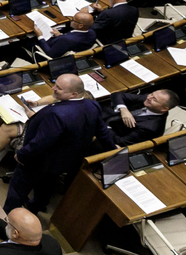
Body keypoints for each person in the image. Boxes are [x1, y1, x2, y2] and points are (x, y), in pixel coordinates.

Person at [6, 74, 114, 212]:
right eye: (55, 84)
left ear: (73, 94)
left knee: (17, 189)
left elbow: (40, 143)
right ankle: (36, 207)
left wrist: (22, 155)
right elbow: (102, 132)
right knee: (47, 185)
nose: (53, 88)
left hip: (39, 161)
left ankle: (11, 216)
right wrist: (112, 149)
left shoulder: (56, 114)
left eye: (59, 88)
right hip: (66, 161)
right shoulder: (92, 105)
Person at [105, 89, 176, 146]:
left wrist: (105, 127)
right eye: (151, 94)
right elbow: (117, 94)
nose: (148, 97)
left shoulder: (150, 128)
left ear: (164, 109)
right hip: (109, 115)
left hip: (110, 132)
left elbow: (122, 142)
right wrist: (124, 109)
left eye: (154, 99)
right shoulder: (148, 99)